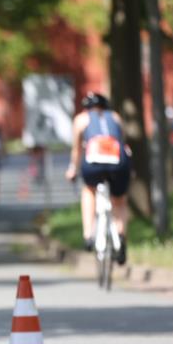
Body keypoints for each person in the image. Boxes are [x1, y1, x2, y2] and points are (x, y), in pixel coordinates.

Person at [65, 92, 131, 264]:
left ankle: (88, 235)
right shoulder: (115, 117)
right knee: (119, 201)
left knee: (89, 189)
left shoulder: (81, 119)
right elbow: (123, 143)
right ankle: (121, 237)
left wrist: (73, 169)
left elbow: (77, 150)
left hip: (93, 162)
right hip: (118, 161)